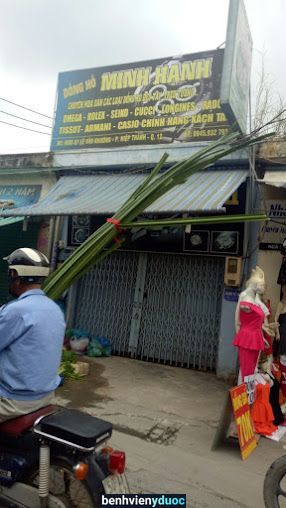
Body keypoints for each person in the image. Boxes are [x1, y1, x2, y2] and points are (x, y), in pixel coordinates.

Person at [0, 248, 66, 422]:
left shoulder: (16, 311)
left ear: (15, 274)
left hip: (14, 401)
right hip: (46, 396)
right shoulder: (53, 308)